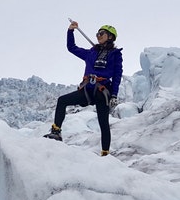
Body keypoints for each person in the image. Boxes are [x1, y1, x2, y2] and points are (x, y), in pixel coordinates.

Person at [44, 20, 123, 156]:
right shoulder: (90, 53)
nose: (98, 36)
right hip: (87, 89)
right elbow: (71, 47)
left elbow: (117, 75)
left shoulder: (115, 55)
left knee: (103, 123)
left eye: (101, 33)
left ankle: (105, 153)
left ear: (110, 36)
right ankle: (56, 132)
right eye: (97, 33)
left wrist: (114, 95)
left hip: (102, 91)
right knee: (62, 100)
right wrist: (70, 31)